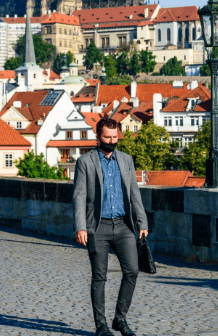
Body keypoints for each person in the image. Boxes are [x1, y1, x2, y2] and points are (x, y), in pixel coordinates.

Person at [73, 117, 148, 336]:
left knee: (132, 271)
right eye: (107, 137)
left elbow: (134, 192)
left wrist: (142, 221)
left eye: (115, 137)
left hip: (124, 225)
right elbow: (79, 197)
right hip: (97, 227)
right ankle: (101, 326)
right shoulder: (85, 162)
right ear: (98, 136)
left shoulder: (125, 160)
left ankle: (120, 319)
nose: (112, 141)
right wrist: (80, 227)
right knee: (99, 277)